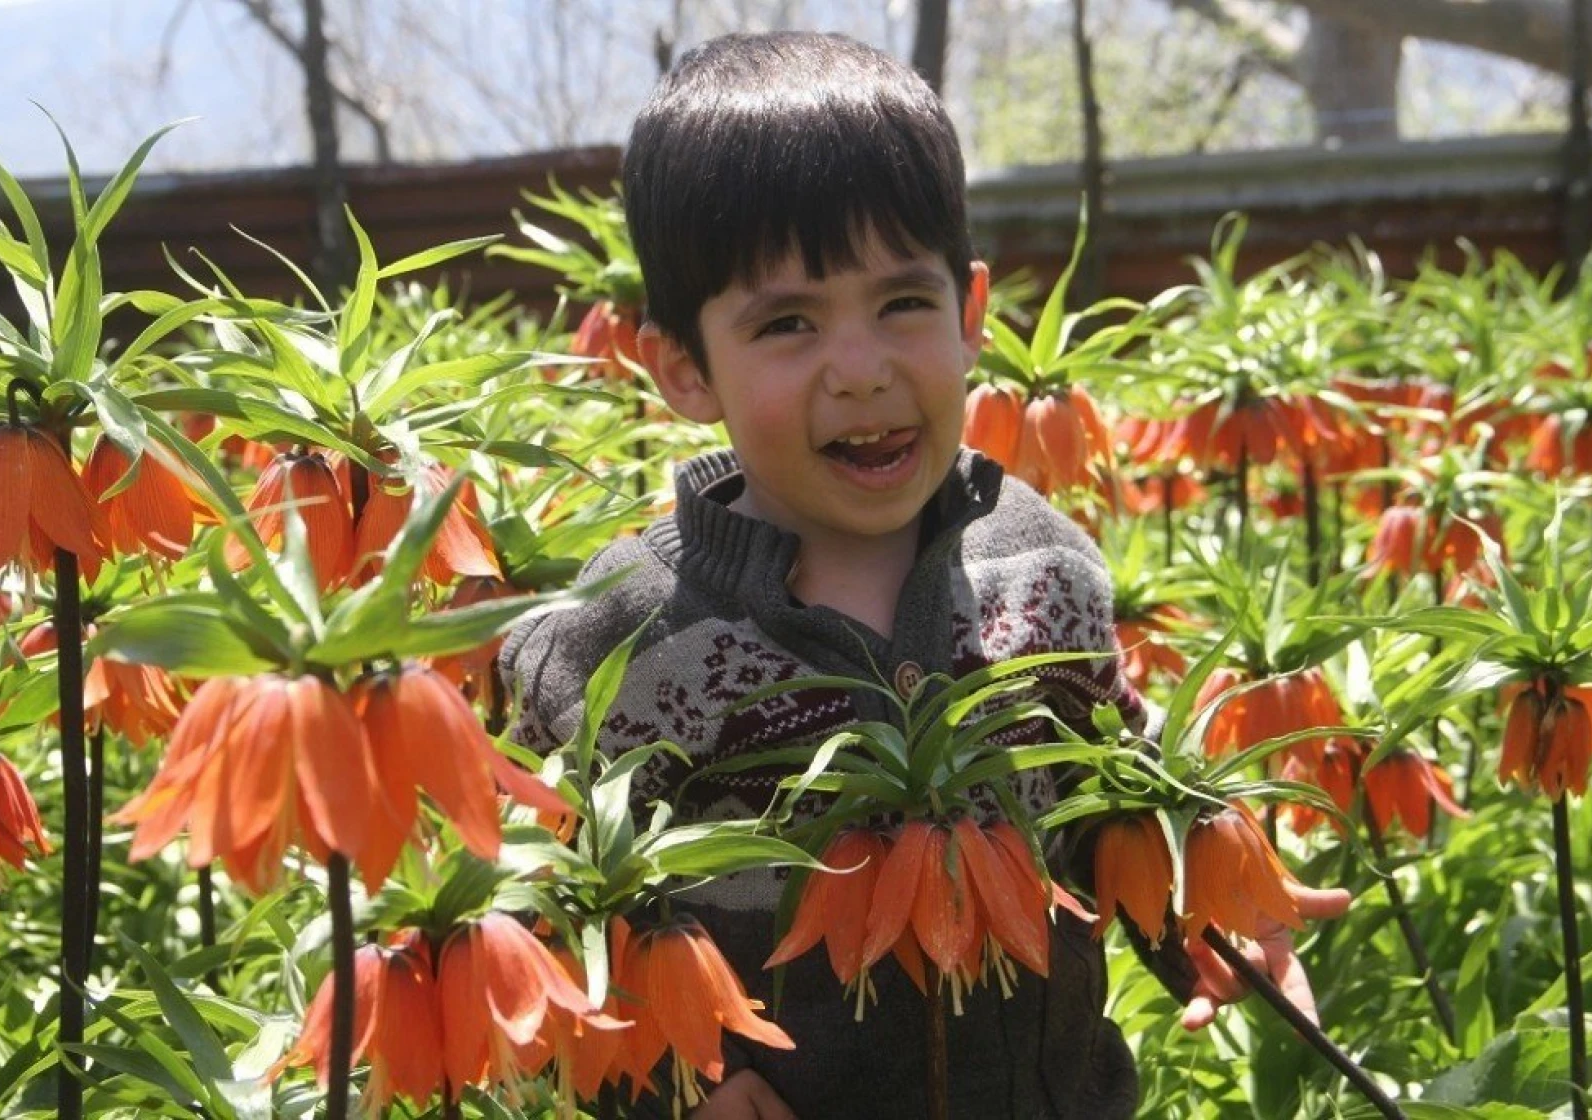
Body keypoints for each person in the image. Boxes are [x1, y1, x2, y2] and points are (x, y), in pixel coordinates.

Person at [500, 30, 1348, 1120]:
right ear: (679, 369)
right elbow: (550, 930)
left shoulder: (1038, 561)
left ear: (970, 313)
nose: (860, 371)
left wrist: (1217, 914)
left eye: (901, 303)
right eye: (787, 323)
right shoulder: (620, 635)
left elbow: (1104, 791)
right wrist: (679, 1089)